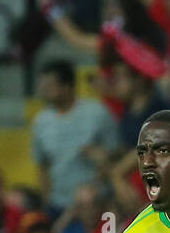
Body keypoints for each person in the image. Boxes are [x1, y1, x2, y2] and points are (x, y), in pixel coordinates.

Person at [32, 60, 119, 214]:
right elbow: (42, 167)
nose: (43, 90)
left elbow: (117, 155)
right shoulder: (41, 121)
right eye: (42, 84)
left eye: (49, 85)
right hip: (59, 205)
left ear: (67, 86)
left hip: (98, 205)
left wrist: (101, 156)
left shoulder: (97, 113)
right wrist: (46, 203)